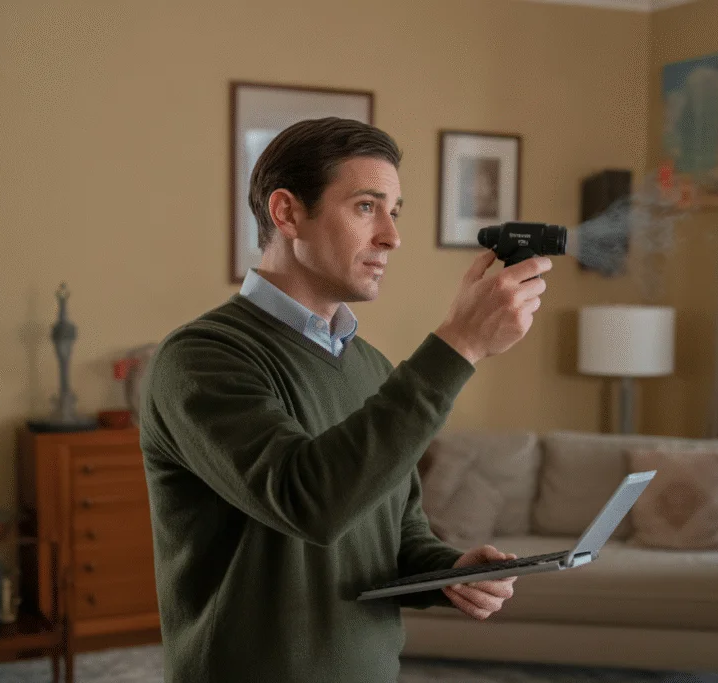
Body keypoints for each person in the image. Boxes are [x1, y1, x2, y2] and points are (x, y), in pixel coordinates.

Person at [138, 117, 552, 683]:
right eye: (366, 207)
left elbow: (394, 531)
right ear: (287, 213)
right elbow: (311, 502)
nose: (391, 235)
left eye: (395, 211)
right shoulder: (200, 359)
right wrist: (460, 344)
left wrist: (448, 569)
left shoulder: (373, 367)